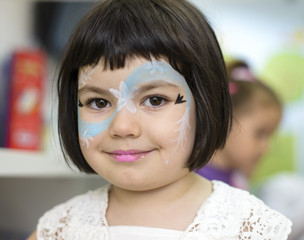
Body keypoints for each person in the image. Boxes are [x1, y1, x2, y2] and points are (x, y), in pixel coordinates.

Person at [27, 0, 292, 239]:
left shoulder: (250, 227)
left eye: (155, 100)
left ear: (207, 104)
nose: (122, 127)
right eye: (99, 102)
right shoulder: (58, 228)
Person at [196, 60, 283, 190]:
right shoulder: (192, 180)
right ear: (224, 119)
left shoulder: (238, 181)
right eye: (260, 133)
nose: (266, 148)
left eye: (270, 135)